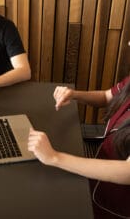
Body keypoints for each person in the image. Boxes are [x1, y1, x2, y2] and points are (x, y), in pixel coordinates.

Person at [28, 77, 130, 218]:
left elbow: (128, 171)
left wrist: (54, 157)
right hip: (100, 173)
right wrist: (74, 94)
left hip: (116, 200)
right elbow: (107, 96)